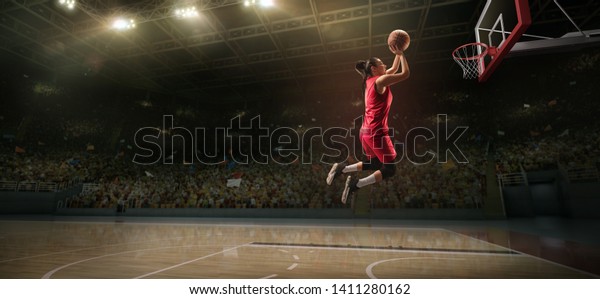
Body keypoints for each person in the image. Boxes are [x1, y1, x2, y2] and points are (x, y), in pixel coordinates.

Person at [326, 44, 410, 204]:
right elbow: (405, 74)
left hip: (366, 131)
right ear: (374, 68)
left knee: (375, 163)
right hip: (376, 132)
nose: (385, 66)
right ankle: (356, 185)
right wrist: (402, 53)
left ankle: (342, 169)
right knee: (390, 169)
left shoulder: (370, 80)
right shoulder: (381, 80)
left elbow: (392, 68)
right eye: (381, 64)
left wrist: (398, 54)